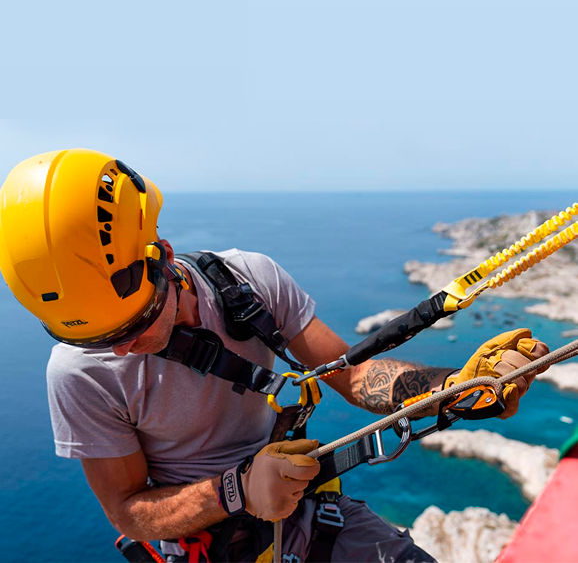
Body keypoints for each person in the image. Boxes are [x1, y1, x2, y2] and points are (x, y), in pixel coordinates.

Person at [0, 149, 550, 563]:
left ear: (162, 259)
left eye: (136, 323)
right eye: (93, 340)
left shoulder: (249, 282)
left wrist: (455, 387)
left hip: (306, 515)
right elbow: (128, 511)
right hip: (206, 546)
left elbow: (355, 376)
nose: (117, 349)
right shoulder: (77, 374)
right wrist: (237, 488)